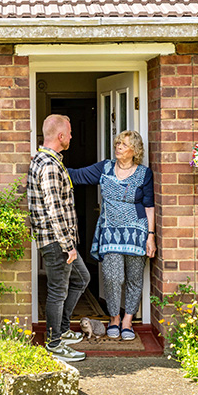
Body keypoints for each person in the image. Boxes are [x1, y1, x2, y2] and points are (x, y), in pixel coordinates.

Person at [68, 130, 155, 342]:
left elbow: (149, 205)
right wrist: (51, 164)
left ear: (134, 150)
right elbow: (77, 175)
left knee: (134, 279)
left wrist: (150, 236)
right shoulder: (105, 168)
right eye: (117, 143)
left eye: (124, 145)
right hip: (110, 231)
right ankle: (114, 317)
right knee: (113, 277)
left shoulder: (144, 173)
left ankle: (127, 320)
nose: (118, 147)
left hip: (137, 232)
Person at [27, 114, 90, 362]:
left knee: (81, 278)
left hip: (58, 241)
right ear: (61, 136)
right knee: (57, 292)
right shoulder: (50, 166)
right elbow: (54, 209)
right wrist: (68, 245)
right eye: (70, 132)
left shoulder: (44, 159)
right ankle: (54, 343)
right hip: (56, 242)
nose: (72, 136)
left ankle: (62, 329)